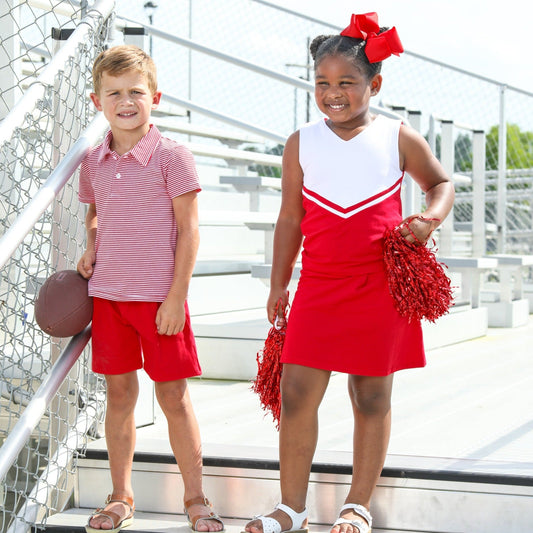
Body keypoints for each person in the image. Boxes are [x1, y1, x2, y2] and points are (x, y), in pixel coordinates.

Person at [244, 12, 455, 533]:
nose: (333, 93)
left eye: (346, 83)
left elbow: (441, 183)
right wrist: (279, 282)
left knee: (371, 396)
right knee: (295, 393)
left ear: (374, 84)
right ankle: (290, 508)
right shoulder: (301, 142)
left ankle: (356, 504)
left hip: (379, 286)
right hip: (318, 284)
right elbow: (290, 217)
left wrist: (429, 219)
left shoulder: (397, 136)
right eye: (322, 83)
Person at [77, 45, 224, 533]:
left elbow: (190, 228)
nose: (125, 101)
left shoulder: (172, 156)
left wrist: (177, 296)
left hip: (160, 300)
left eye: (135, 92)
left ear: (154, 97)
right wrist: (90, 243)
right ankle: (121, 497)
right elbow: (94, 211)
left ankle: (197, 498)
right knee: (119, 395)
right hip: (109, 298)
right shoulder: (93, 161)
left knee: (174, 397)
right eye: (114, 93)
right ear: (98, 101)